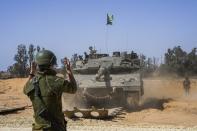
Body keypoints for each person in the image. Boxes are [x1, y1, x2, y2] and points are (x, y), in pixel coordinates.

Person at [23, 50, 77, 131]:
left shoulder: (31, 83)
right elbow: (73, 89)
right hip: (56, 128)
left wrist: (32, 73)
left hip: (38, 128)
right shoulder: (58, 81)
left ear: (38, 64)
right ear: (51, 64)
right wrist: (69, 72)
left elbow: (25, 90)